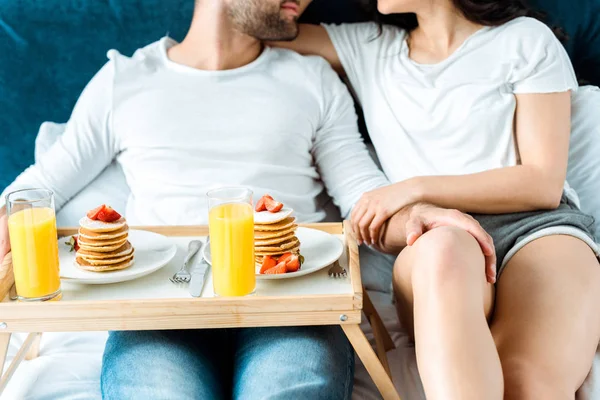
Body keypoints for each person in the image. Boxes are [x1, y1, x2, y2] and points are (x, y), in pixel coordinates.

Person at [0, 0, 497, 398]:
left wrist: (419, 215)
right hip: (162, 312)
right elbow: (36, 188)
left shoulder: (313, 80)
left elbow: (362, 195)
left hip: (290, 306)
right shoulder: (124, 81)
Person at [271, 0, 600, 399]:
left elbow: (542, 183)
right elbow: (257, 26)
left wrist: (415, 187)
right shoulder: (368, 47)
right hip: (436, 237)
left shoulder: (525, 39)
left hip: (538, 231)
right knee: (443, 246)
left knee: (525, 383)